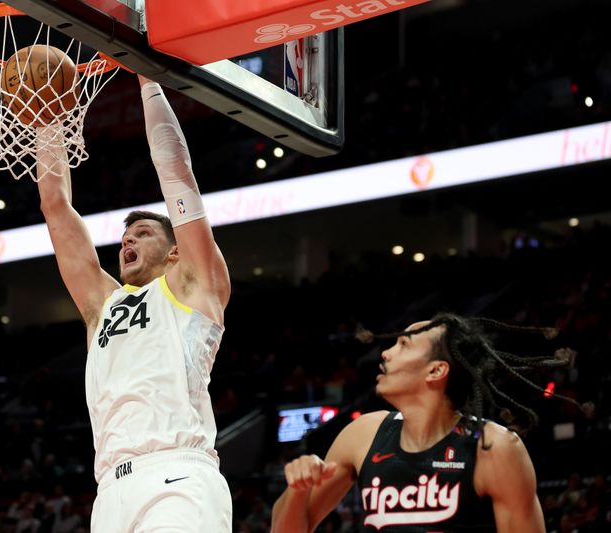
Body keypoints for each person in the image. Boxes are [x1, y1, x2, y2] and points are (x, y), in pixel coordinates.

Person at [35, 75, 232, 531]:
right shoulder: (102, 304)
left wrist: (148, 80)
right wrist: (46, 118)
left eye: (143, 234)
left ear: (175, 250)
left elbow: (176, 173)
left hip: (178, 476)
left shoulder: (194, 287)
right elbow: (55, 206)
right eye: (125, 237)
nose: (128, 242)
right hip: (110, 491)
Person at [271, 313, 586, 532]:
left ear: (436, 371)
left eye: (404, 344)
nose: (385, 353)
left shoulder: (495, 448)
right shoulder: (363, 434)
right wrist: (298, 490)